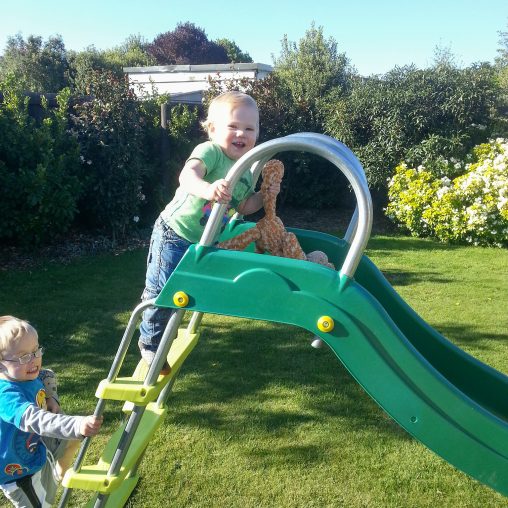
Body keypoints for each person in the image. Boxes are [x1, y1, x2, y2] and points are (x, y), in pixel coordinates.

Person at [138, 91, 278, 372]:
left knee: (183, 292)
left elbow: (243, 205)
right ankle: (150, 344)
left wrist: (265, 196)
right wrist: (208, 189)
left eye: (249, 128)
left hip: (204, 241)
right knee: (161, 290)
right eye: (233, 126)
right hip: (175, 232)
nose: (241, 133)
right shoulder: (210, 152)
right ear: (212, 129)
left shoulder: (246, 170)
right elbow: (187, 176)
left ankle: (164, 337)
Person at [0, 315, 103, 507]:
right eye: (24, 356)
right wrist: (76, 424)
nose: (34, 360)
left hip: (36, 445)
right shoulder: (5, 396)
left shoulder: (27, 374)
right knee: (43, 504)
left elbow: (47, 374)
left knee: (71, 439)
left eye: (36, 351)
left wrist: (51, 397)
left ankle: (59, 473)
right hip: (18, 471)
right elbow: (33, 419)